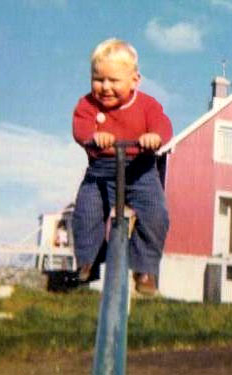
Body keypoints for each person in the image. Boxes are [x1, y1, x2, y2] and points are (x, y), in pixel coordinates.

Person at [72, 38, 172, 295]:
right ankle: (89, 261)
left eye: (113, 80)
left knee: (155, 214)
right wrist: (94, 137)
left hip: (140, 169)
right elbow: (80, 128)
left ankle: (145, 268)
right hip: (100, 170)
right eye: (98, 79)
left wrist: (155, 137)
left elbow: (162, 125)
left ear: (134, 80)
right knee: (86, 212)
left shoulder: (148, 105)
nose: (105, 87)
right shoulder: (87, 105)